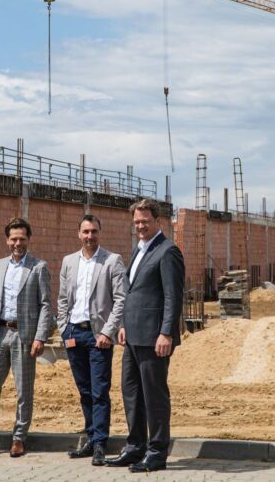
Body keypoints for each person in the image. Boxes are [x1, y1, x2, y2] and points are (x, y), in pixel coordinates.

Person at [105, 198, 184, 473]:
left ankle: (157, 452)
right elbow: (134, 293)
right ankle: (135, 447)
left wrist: (166, 333)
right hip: (133, 336)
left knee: (154, 397)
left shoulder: (168, 251)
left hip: (154, 338)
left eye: (145, 221)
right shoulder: (139, 249)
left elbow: (173, 297)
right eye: (137, 222)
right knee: (132, 394)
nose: (140, 226)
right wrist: (124, 324)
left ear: (158, 221)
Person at [0, 217, 52, 459]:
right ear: (7, 240)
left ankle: (19, 438)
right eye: (14, 239)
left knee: (23, 390)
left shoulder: (38, 267)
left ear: (29, 240)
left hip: (24, 335)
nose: (18, 243)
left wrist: (40, 337)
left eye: (22, 239)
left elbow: (46, 304)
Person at [56, 214, 127, 466]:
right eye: (85, 232)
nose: (89, 236)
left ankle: (99, 444)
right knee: (84, 390)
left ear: (99, 233)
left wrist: (108, 332)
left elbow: (121, 299)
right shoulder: (68, 262)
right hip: (74, 334)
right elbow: (62, 298)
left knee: (99, 392)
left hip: (99, 337)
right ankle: (90, 438)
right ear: (79, 234)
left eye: (94, 231)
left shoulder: (112, 261)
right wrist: (64, 328)